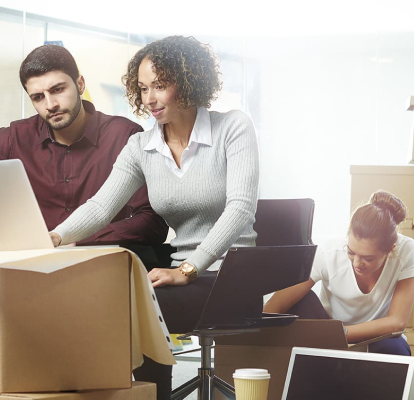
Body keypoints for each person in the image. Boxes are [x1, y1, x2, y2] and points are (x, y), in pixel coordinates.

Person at [0, 44, 169, 386]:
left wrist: (76, 239)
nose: (50, 104)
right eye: (37, 97)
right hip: (27, 273)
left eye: (58, 89)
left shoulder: (123, 136)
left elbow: (151, 220)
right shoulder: (13, 139)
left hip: (98, 273)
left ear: (79, 83)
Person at [49, 36, 260, 400]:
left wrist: (188, 269)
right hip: (181, 272)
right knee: (107, 296)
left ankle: (151, 395)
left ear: (189, 81)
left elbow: (240, 208)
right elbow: (101, 207)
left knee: (136, 306)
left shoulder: (233, 128)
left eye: (160, 86)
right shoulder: (141, 147)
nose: (149, 99)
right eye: (143, 88)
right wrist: (53, 237)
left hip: (233, 274)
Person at [264, 191, 414, 356]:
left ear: (390, 249)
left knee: (395, 348)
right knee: (300, 301)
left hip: (378, 335)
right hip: (329, 328)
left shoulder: (408, 251)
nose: (356, 263)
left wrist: (338, 334)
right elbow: (275, 306)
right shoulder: (330, 253)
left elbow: (397, 322)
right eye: (351, 252)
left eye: (368, 258)